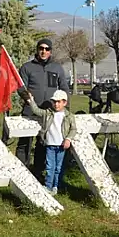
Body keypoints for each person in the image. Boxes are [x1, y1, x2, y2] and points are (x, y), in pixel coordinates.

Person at [16, 38, 71, 169]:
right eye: (41, 48)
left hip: (49, 113)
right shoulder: (27, 67)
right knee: (24, 143)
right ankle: (21, 171)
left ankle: (38, 172)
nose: (43, 51)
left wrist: (65, 107)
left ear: (50, 51)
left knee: (43, 143)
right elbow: (20, 87)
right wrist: (27, 96)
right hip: (30, 111)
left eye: (47, 49)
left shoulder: (57, 68)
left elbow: (64, 88)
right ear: (37, 49)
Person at [19, 88, 76, 195]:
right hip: (50, 145)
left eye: (59, 102)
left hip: (61, 146)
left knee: (59, 167)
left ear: (64, 103)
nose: (56, 104)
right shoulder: (48, 113)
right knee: (50, 166)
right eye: (54, 102)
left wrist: (68, 139)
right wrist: (31, 100)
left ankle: (57, 185)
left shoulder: (69, 116)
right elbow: (36, 111)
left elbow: (73, 129)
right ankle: (48, 186)